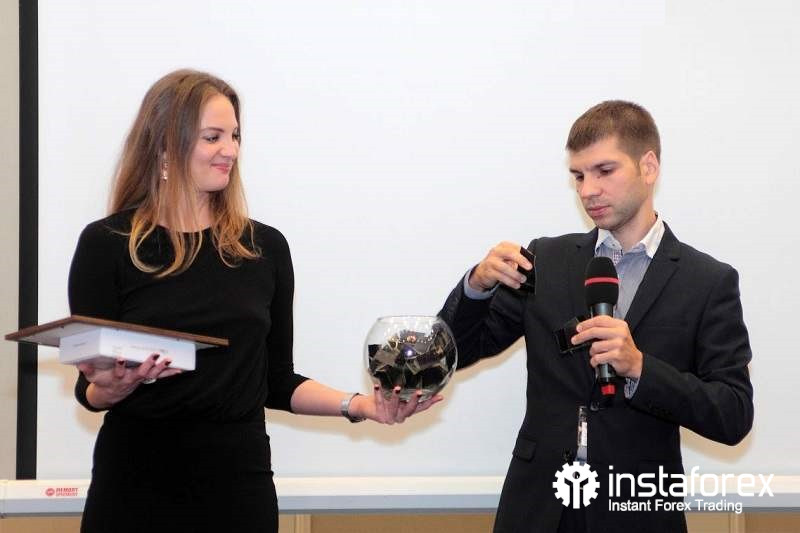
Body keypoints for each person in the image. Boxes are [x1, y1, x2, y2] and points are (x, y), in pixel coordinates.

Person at [68, 69, 440, 533]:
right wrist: (112, 389)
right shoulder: (107, 244)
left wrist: (361, 405)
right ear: (164, 146)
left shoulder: (264, 248)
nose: (230, 150)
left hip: (237, 488)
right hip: (134, 486)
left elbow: (275, 381)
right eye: (213, 137)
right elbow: (89, 389)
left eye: (235, 136)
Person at [438, 101, 753, 533]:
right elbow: (452, 353)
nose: (588, 190)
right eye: (579, 176)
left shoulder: (707, 281)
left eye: (604, 171)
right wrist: (477, 286)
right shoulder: (546, 259)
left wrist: (640, 367)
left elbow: (733, 414)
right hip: (537, 509)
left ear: (648, 167)